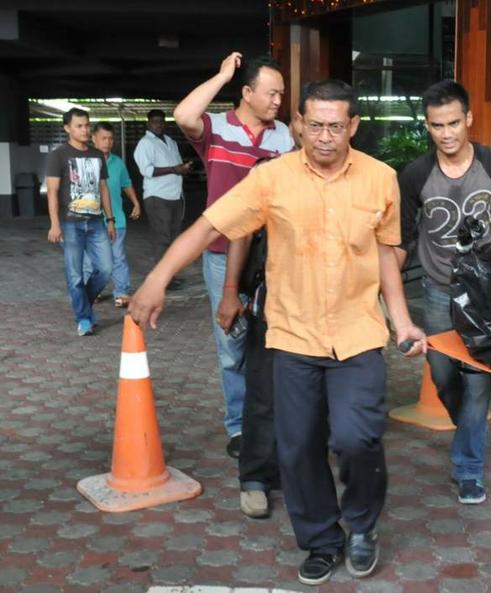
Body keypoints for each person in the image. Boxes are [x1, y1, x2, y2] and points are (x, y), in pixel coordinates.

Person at [129, 79, 426, 586]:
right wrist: (156, 279)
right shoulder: (273, 178)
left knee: (358, 438)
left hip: (357, 334)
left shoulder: (380, 179)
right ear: (300, 125)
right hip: (292, 336)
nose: (326, 137)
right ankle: (320, 539)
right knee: (297, 446)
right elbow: (210, 225)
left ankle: (360, 526)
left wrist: (402, 321)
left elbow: (384, 254)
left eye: (336, 126)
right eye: (315, 126)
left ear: (353, 126)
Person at [174, 53, 294, 505]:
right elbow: (184, 115)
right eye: (271, 93)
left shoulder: (285, 137)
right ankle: (240, 427)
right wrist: (221, 74)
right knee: (231, 344)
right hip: (223, 253)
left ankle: (270, 424)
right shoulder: (218, 130)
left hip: (270, 257)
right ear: (246, 93)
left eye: (282, 94)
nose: (278, 101)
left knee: (267, 341)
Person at [397, 80, 491, 505]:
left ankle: (468, 469)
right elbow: (402, 241)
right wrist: (384, 299)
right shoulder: (415, 175)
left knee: (478, 382)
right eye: (436, 126)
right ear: (427, 127)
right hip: (438, 291)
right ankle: (465, 430)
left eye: (453, 123)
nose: (446, 133)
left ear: (468, 119)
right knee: (446, 377)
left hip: (484, 294)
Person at [46, 108, 116, 336]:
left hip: (96, 222)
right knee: (74, 275)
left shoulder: (96, 155)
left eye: (86, 125)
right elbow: (53, 192)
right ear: (67, 128)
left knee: (105, 270)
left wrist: (111, 219)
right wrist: (55, 224)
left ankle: (82, 302)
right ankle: (84, 318)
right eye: (79, 126)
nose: (85, 129)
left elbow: (103, 188)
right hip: (70, 223)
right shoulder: (58, 155)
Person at [133, 109, 192, 288]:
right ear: (148, 124)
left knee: (173, 238)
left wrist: (183, 168)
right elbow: (148, 170)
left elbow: (176, 165)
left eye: (161, 121)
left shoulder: (171, 141)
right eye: (155, 121)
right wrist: (175, 169)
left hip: (174, 195)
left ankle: (170, 276)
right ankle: (162, 280)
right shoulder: (145, 144)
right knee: (162, 238)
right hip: (158, 196)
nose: (159, 124)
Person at [87, 122, 141, 308]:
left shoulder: (117, 162)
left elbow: (126, 183)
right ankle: (93, 291)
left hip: (116, 219)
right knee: (91, 259)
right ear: (93, 138)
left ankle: (122, 292)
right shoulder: (85, 160)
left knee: (118, 257)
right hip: (91, 220)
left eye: (111, 138)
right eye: (104, 138)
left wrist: (135, 203)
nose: (108, 142)